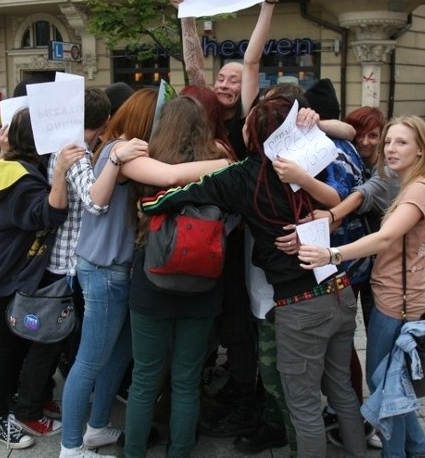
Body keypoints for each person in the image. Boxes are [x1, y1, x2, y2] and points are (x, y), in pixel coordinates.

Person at [141, 95, 366, 458]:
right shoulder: (315, 163)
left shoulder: (244, 175)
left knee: (303, 404)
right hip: (339, 289)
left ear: (254, 133)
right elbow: (351, 177)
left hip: (300, 304)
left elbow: (181, 194)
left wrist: (148, 203)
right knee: (340, 387)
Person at [59, 89, 230, 458]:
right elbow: (170, 176)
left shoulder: (135, 152)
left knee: (125, 361)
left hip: (135, 275)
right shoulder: (122, 153)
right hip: (111, 270)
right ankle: (71, 447)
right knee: (97, 359)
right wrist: (225, 164)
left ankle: (99, 429)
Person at [172, 0, 284, 441]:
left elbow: (252, 63)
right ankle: (220, 385)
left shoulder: (249, 124)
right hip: (204, 234)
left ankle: (246, 393)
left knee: (241, 318)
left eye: (234, 79)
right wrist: (186, 13)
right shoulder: (204, 111)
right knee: (215, 316)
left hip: (240, 241)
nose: (223, 83)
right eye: (221, 76)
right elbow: (193, 67)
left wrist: (270, 4)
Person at [298, 115, 425, 458]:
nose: (390, 149)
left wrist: (331, 254)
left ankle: (397, 454)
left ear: (421, 151)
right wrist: (333, 215)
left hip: (399, 303)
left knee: (386, 388)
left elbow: (386, 237)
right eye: (389, 142)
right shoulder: (405, 181)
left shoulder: (419, 190)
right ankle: (420, 451)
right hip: (400, 297)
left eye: (401, 142)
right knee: (395, 384)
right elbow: (367, 192)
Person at [11, 89, 148, 438]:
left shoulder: (75, 149)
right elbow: (94, 202)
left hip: (73, 261)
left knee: (69, 345)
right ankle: (40, 415)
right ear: (104, 122)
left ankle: (59, 405)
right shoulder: (75, 153)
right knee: (55, 344)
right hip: (68, 264)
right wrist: (115, 162)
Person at [125, 95, 235, 458]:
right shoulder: (220, 169)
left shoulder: (146, 163)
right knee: (186, 380)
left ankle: (135, 452)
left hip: (151, 284)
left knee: (144, 379)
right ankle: (180, 451)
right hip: (203, 286)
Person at [0, 108, 83, 449]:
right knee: (5, 347)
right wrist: (62, 170)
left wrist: (5, 151)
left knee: (20, 339)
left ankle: (24, 401)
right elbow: (51, 213)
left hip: (7, 270)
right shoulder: (22, 178)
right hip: (4, 275)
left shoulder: (11, 164)